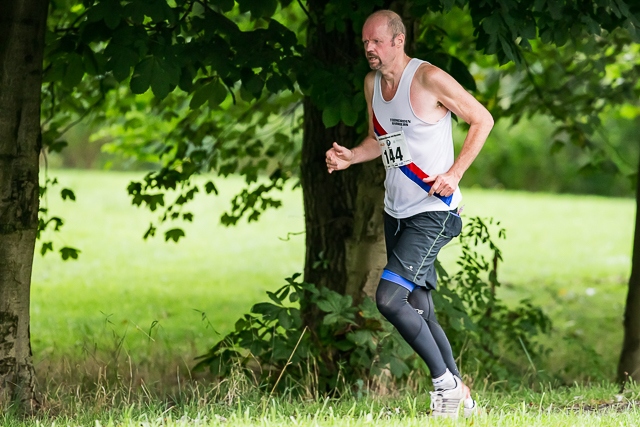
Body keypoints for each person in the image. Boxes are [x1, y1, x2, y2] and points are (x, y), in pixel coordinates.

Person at [325, 9, 494, 419]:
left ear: (398, 41)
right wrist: (351, 157)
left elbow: (482, 119)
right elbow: (380, 140)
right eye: (365, 42)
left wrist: (455, 173)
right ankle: (463, 399)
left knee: (389, 298)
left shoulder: (428, 78)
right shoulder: (372, 84)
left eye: (376, 41)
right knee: (419, 305)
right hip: (396, 211)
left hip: (434, 211)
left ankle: (445, 386)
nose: (369, 48)